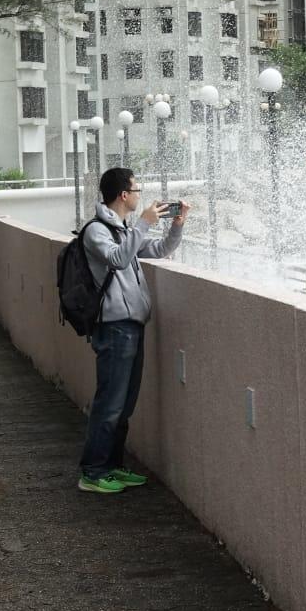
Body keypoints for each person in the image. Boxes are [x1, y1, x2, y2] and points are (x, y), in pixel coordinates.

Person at [77, 167, 191, 494]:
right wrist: (144, 223)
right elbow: (118, 258)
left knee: (124, 405)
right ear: (124, 195)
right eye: (136, 189)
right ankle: (93, 472)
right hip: (113, 327)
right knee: (109, 404)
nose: (140, 195)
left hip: (131, 325)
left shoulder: (123, 228)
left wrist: (177, 225)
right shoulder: (97, 231)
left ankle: (112, 466)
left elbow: (157, 251)